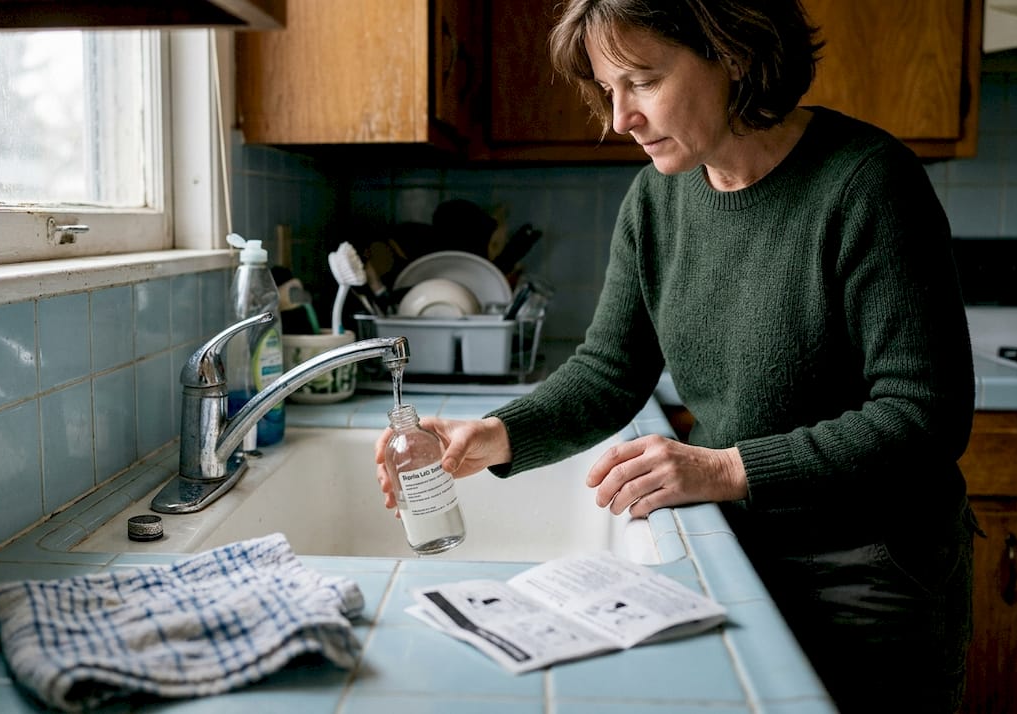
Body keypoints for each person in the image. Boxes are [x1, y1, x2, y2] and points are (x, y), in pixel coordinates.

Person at [374, 1, 979, 711]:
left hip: (869, 572)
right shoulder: (656, 200)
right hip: (735, 548)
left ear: (735, 54)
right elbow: (610, 370)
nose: (619, 117)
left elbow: (925, 417)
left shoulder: (868, 183)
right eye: (608, 89)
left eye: (642, 80)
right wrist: (496, 437)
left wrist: (726, 467)